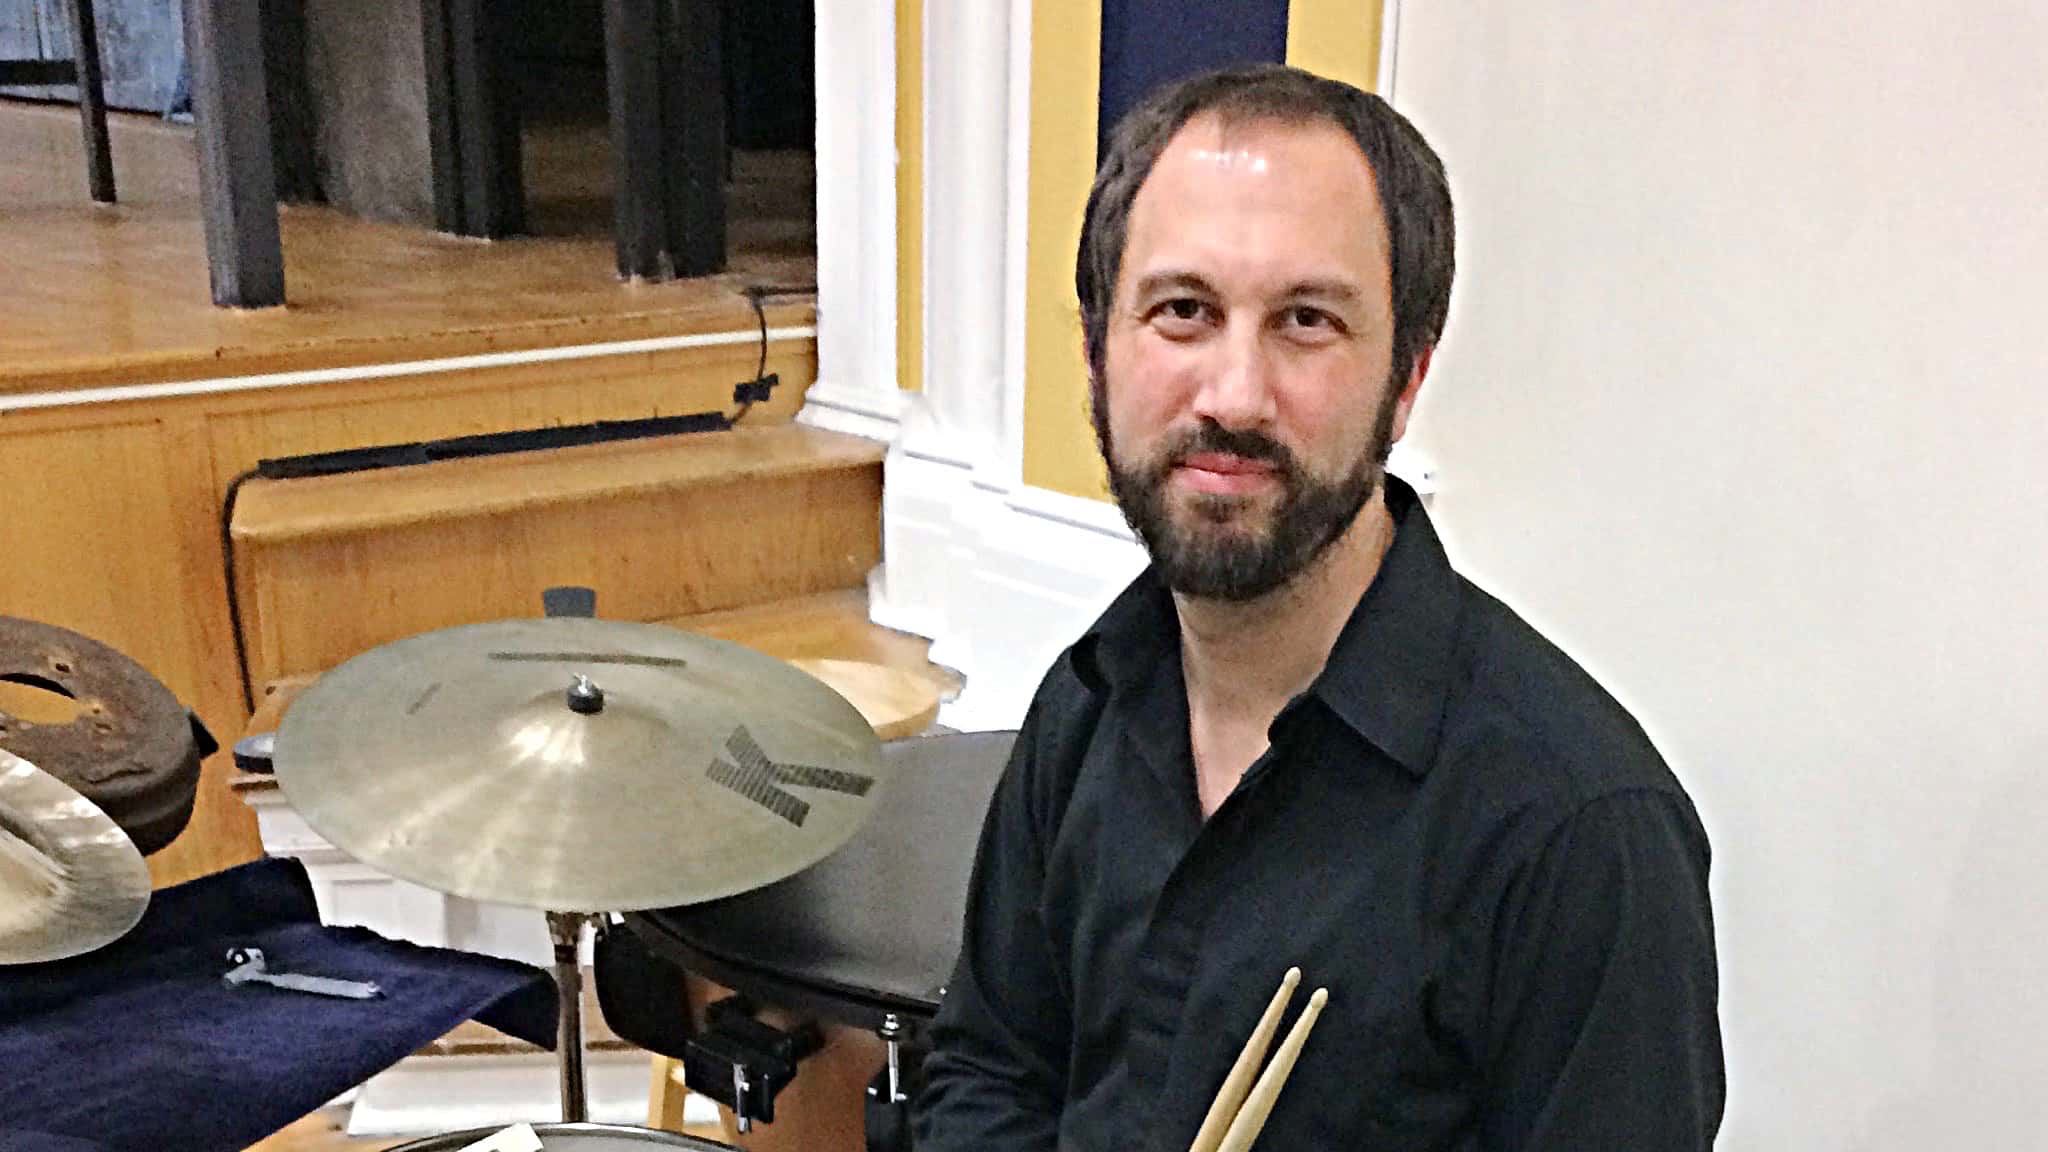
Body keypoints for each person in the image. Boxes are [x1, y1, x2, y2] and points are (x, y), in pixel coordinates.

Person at [912, 64, 1723, 1151]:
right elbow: (990, 1069)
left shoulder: (1578, 836)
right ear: (1098, 353)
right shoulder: (1093, 698)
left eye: (1305, 320)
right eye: (1182, 311)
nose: (1233, 393)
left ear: (1406, 375)